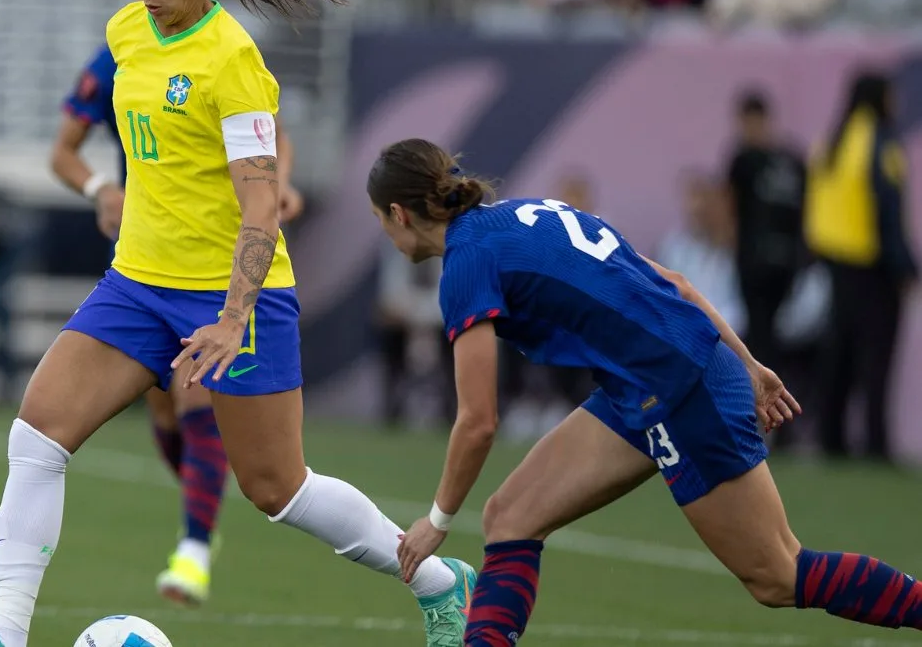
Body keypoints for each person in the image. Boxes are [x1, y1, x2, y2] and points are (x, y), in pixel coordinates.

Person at [0, 0, 475, 647]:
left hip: (231, 297)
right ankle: (3, 637)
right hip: (137, 284)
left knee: (277, 489)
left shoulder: (233, 61)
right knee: (36, 438)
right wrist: (108, 192)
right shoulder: (125, 33)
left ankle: (439, 582)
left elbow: (260, 206)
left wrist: (233, 318)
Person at [369, 138, 922, 647]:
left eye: (380, 220)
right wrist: (748, 364)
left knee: (778, 575)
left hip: (679, 388)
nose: (386, 233)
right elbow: (675, 283)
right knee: (510, 517)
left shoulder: (466, 264)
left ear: (399, 213)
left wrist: (436, 522)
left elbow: (478, 422)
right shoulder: (522, 213)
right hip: (647, 382)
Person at [48, 39, 307, 604]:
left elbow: (275, 137)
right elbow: (63, 151)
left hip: (216, 261)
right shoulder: (118, 54)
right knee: (165, 413)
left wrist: (279, 183)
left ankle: (194, 547)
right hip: (144, 262)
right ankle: (201, 516)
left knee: (195, 393)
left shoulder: (226, 54)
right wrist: (101, 189)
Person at [805, 71, 917, 462]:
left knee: (839, 352)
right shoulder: (880, 143)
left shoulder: (832, 142)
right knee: (876, 356)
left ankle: (831, 436)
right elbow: (888, 211)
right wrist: (905, 267)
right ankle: (875, 442)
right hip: (872, 266)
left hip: (834, 263)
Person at [726, 91, 806, 401]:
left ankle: (771, 406)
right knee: (762, 338)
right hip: (762, 263)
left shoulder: (781, 161)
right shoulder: (749, 161)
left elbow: (731, 207)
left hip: (777, 265)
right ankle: (766, 407)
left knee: (769, 341)